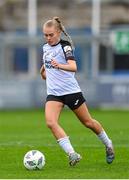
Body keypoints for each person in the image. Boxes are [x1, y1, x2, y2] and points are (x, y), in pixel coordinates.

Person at [40, 16, 115, 166]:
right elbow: (47, 65)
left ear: (59, 32)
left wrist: (58, 66)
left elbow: (73, 67)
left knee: (88, 122)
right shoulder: (45, 47)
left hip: (71, 92)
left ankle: (108, 144)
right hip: (54, 93)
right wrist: (44, 71)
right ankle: (72, 154)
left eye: (51, 35)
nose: (48, 38)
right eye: (45, 35)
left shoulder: (65, 46)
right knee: (50, 122)